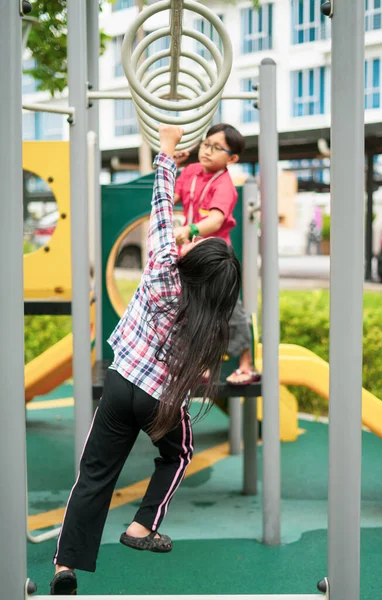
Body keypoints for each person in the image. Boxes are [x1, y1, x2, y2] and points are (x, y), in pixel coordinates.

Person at [49, 124, 241, 596]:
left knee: (94, 475)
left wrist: (167, 151)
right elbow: (193, 369)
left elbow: (159, 205)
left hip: (118, 385)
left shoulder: (160, 267)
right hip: (158, 402)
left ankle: (65, 567)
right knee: (178, 453)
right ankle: (141, 526)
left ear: (192, 261)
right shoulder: (207, 321)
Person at [173, 123, 260, 386]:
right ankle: (201, 366)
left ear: (232, 158)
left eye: (216, 148)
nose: (207, 151)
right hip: (191, 253)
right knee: (191, 308)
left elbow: (215, 220)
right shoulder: (190, 171)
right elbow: (173, 195)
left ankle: (247, 365)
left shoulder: (225, 186)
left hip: (216, 257)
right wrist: (171, 167)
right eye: (205, 144)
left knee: (229, 308)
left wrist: (189, 228)